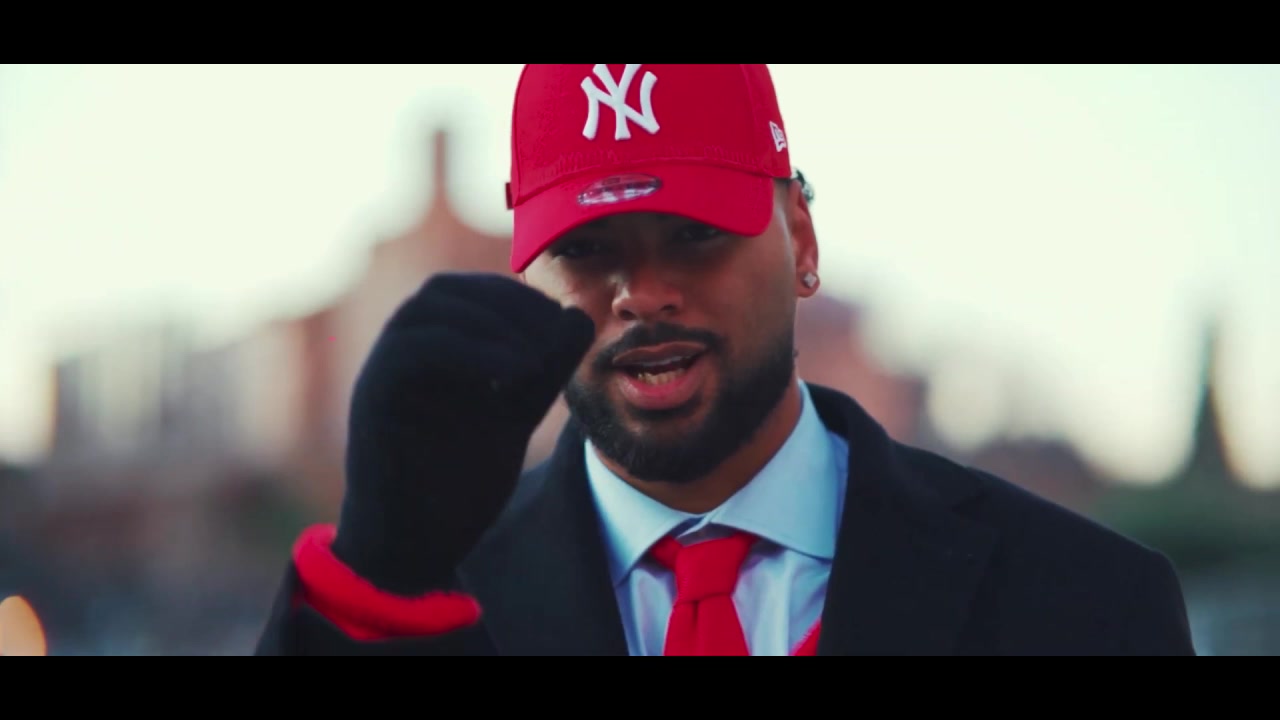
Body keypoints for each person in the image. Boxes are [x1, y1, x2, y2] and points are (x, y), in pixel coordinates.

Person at [254, 64, 1196, 656]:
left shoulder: (1085, 599)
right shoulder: (426, 595)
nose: (642, 292)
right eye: (586, 247)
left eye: (695, 232)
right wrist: (374, 588)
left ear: (803, 239)